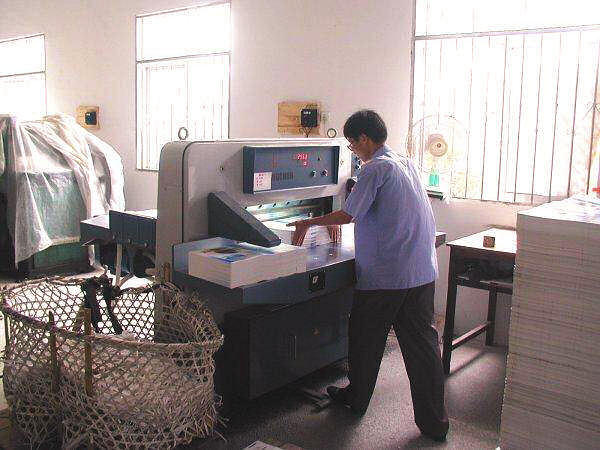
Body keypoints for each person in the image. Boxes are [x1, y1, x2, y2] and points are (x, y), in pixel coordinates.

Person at [287, 109, 449, 441]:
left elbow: (348, 214)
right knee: (422, 347)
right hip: (420, 270)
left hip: (388, 276)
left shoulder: (376, 168)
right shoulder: (406, 163)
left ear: (364, 139)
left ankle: (357, 400)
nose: (352, 151)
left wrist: (308, 223)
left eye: (351, 144)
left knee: (364, 338)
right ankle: (435, 424)